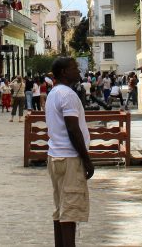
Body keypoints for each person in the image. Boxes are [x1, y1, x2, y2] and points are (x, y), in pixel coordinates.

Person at [45, 57, 94, 247]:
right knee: (70, 211)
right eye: (74, 68)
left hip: (55, 156)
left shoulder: (53, 93)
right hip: (70, 158)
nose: (78, 70)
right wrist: (87, 160)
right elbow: (73, 129)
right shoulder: (68, 95)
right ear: (64, 72)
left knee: (60, 209)